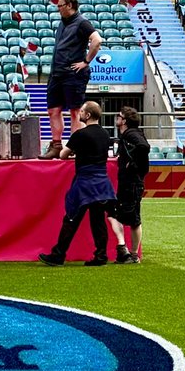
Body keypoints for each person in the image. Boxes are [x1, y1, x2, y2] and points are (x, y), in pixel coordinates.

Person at [39, 101, 116, 267]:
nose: (79, 113)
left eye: (81, 111)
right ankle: (101, 256)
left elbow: (63, 155)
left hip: (85, 182)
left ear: (87, 115)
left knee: (72, 218)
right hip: (102, 182)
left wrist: (75, 151)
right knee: (98, 221)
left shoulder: (80, 134)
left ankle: (58, 255)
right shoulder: (105, 134)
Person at [42, 0, 103, 159]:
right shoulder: (62, 23)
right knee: (53, 110)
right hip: (57, 73)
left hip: (73, 74)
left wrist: (86, 61)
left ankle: (75, 147)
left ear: (69, 5)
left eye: (60, 6)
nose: (58, 9)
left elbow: (97, 40)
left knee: (75, 112)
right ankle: (56, 146)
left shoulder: (82, 22)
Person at [109, 106, 150, 263]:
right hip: (132, 182)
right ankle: (130, 253)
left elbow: (144, 147)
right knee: (129, 218)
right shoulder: (131, 134)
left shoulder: (131, 134)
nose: (117, 119)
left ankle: (129, 253)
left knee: (127, 217)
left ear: (124, 120)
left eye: (119, 116)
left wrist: (132, 165)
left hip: (131, 182)